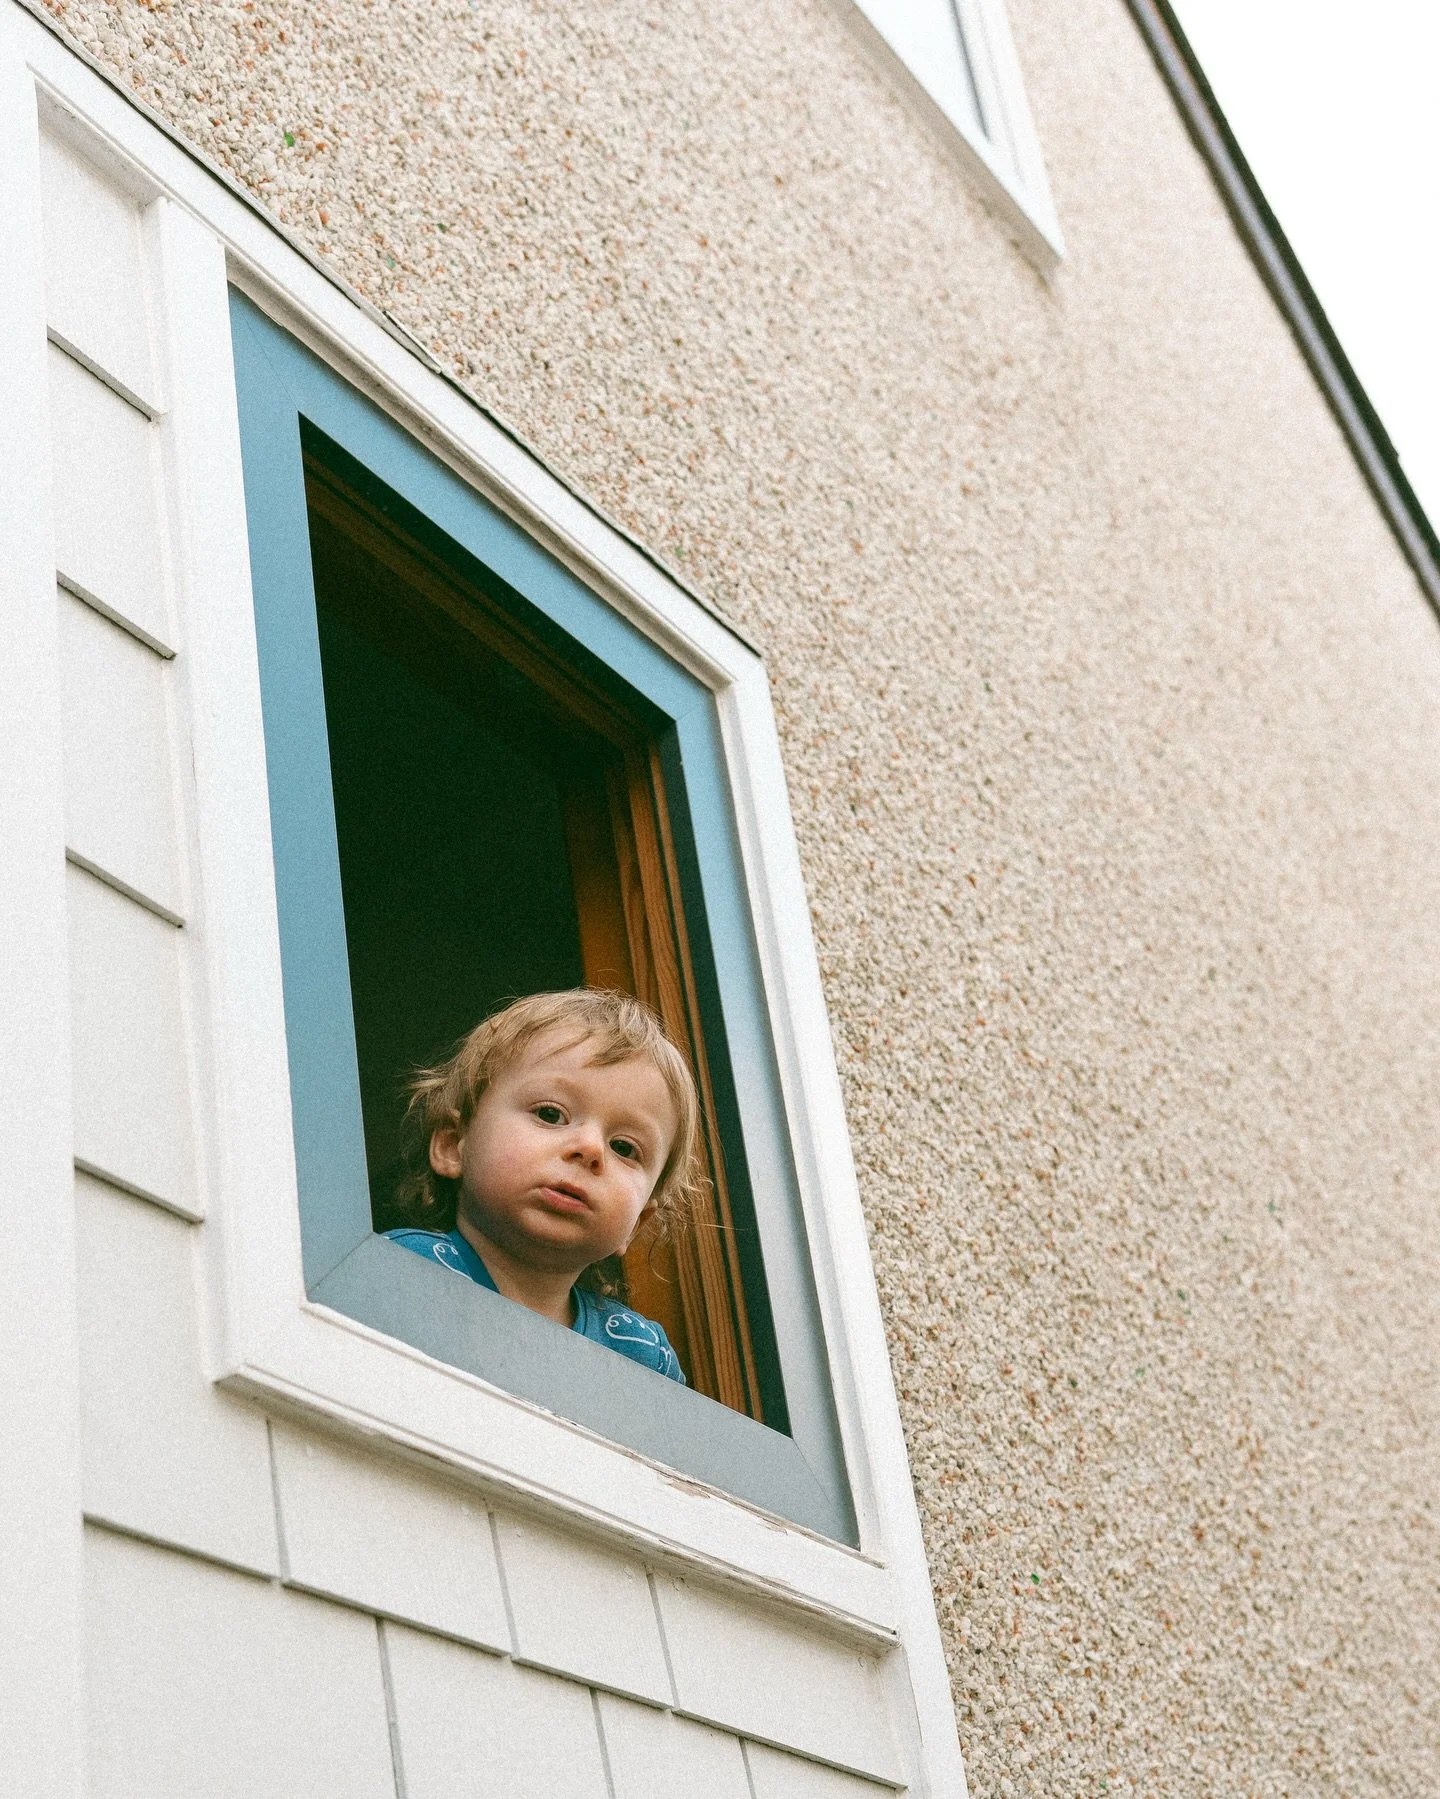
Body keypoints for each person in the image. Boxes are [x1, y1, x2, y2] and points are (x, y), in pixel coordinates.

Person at [385, 988, 699, 1383]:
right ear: (453, 1146)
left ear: (636, 1224)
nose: (590, 1148)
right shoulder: (404, 1269)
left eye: (624, 1147)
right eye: (550, 1114)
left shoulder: (642, 1356)